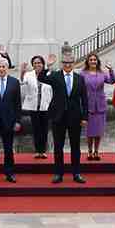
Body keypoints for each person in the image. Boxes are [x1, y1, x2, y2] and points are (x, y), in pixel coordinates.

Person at [38, 53, 88, 184]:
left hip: (75, 117)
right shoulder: (55, 76)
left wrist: (85, 117)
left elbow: (84, 99)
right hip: (58, 116)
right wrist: (48, 66)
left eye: (70, 62)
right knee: (58, 146)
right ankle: (58, 173)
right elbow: (41, 78)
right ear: (62, 63)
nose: (67, 64)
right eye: (65, 62)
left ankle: (76, 173)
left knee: (75, 146)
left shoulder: (80, 78)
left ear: (74, 63)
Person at [20, 56, 53, 159]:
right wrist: (22, 72)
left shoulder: (48, 73)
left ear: (43, 64)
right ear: (32, 65)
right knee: (36, 129)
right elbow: (22, 82)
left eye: (39, 63)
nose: (37, 65)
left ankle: (43, 151)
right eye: (35, 63)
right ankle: (37, 150)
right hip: (33, 106)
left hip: (45, 105)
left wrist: (49, 66)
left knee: (44, 129)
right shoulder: (29, 75)